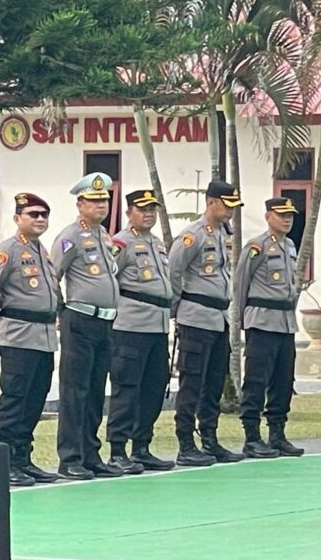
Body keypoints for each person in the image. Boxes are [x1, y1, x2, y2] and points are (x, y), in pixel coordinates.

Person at [50, 172, 122, 480]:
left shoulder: (104, 235)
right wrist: (60, 311)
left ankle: (91, 453)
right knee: (75, 391)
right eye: (93, 201)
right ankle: (70, 457)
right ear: (80, 204)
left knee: (95, 391)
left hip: (105, 321)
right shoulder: (70, 236)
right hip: (80, 319)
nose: (101, 205)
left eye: (104, 200)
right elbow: (52, 275)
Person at [168, 180, 245, 466]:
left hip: (218, 318)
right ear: (211, 202)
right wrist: (177, 309)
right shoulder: (193, 235)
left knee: (213, 383)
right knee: (192, 383)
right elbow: (174, 271)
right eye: (227, 205)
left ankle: (210, 439)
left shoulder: (223, 232)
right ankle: (186, 442)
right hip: (196, 317)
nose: (231, 211)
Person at [0, 193, 61, 487]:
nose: (40, 219)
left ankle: (23, 457)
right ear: (17, 218)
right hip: (18, 335)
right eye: (33, 214)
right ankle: (6, 461)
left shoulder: (41, 250)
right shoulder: (8, 249)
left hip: (43, 337)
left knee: (35, 399)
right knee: (16, 399)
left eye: (44, 215)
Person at [107, 190, 175, 473]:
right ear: (129, 213)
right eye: (142, 209)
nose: (148, 214)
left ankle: (142, 446)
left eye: (152, 209)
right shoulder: (120, 243)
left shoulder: (157, 243)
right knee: (127, 388)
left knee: (154, 387)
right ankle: (117, 449)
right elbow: (109, 281)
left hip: (157, 326)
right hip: (130, 326)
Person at [235, 197, 304, 458]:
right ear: (268, 217)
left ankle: (277, 434)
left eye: (290, 215)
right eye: (281, 214)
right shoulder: (257, 246)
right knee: (256, 380)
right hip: (261, 321)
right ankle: (252, 436)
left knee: (283, 381)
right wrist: (241, 320)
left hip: (285, 323)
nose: (287, 219)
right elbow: (241, 284)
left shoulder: (290, 246)